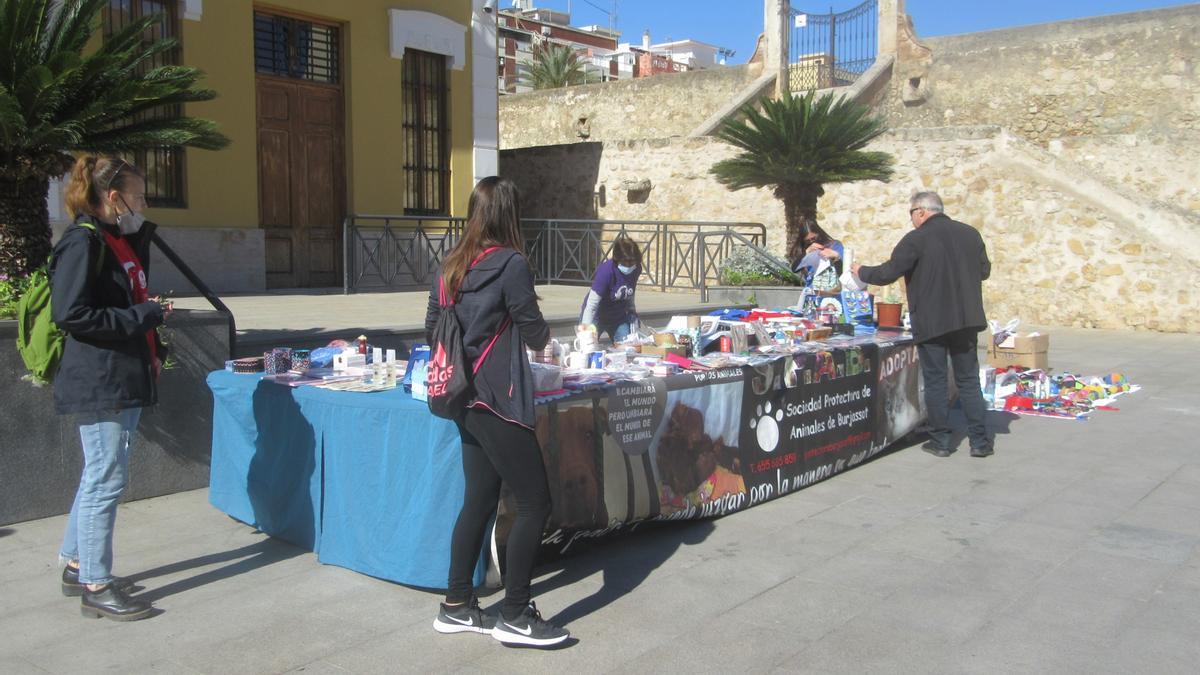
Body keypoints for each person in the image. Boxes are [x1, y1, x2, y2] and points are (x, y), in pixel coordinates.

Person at [424, 176, 569, 647]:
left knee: (480, 501)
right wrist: (552, 347)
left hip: (461, 397)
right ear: (510, 214)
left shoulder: (450, 265)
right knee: (534, 502)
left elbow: (431, 329)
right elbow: (533, 330)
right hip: (498, 401)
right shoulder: (510, 263)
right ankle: (516, 613)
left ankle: (457, 604)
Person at [51, 156, 170, 621]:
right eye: (138, 196)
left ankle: (76, 562)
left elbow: (127, 299)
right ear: (113, 197)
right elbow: (71, 313)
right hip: (102, 378)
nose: (143, 204)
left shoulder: (116, 239)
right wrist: (142, 316)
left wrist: (151, 334)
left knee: (100, 473)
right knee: (106, 479)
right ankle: (95, 584)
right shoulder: (82, 244)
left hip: (124, 371)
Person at [852, 191, 994, 458]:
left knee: (936, 380)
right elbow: (984, 271)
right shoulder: (970, 234)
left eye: (911, 214)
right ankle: (980, 442)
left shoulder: (916, 239)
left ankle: (941, 441)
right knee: (968, 379)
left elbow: (888, 273)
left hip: (933, 321)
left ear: (920, 212)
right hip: (966, 319)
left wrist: (861, 271)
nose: (912, 220)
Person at [579, 235, 641, 342]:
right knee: (589, 346)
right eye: (625, 262)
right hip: (597, 316)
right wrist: (586, 327)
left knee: (627, 345)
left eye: (632, 262)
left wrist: (632, 311)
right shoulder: (606, 271)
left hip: (618, 317)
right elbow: (592, 304)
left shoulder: (636, 268)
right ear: (617, 260)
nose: (629, 266)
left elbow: (630, 291)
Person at [792, 223, 845, 292]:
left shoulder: (835, 245)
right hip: (812, 291)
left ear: (819, 233)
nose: (812, 242)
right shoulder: (806, 250)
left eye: (814, 238)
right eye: (808, 240)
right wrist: (806, 252)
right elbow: (795, 269)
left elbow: (845, 267)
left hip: (831, 290)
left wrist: (836, 256)